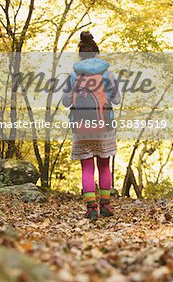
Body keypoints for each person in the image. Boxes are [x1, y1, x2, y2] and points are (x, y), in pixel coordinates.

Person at [62, 31, 121, 220]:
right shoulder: (107, 73)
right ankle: (105, 206)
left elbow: (65, 102)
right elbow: (117, 99)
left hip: (81, 127)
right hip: (104, 126)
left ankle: (91, 208)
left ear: (80, 54)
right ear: (96, 53)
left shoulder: (73, 75)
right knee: (104, 166)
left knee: (87, 168)